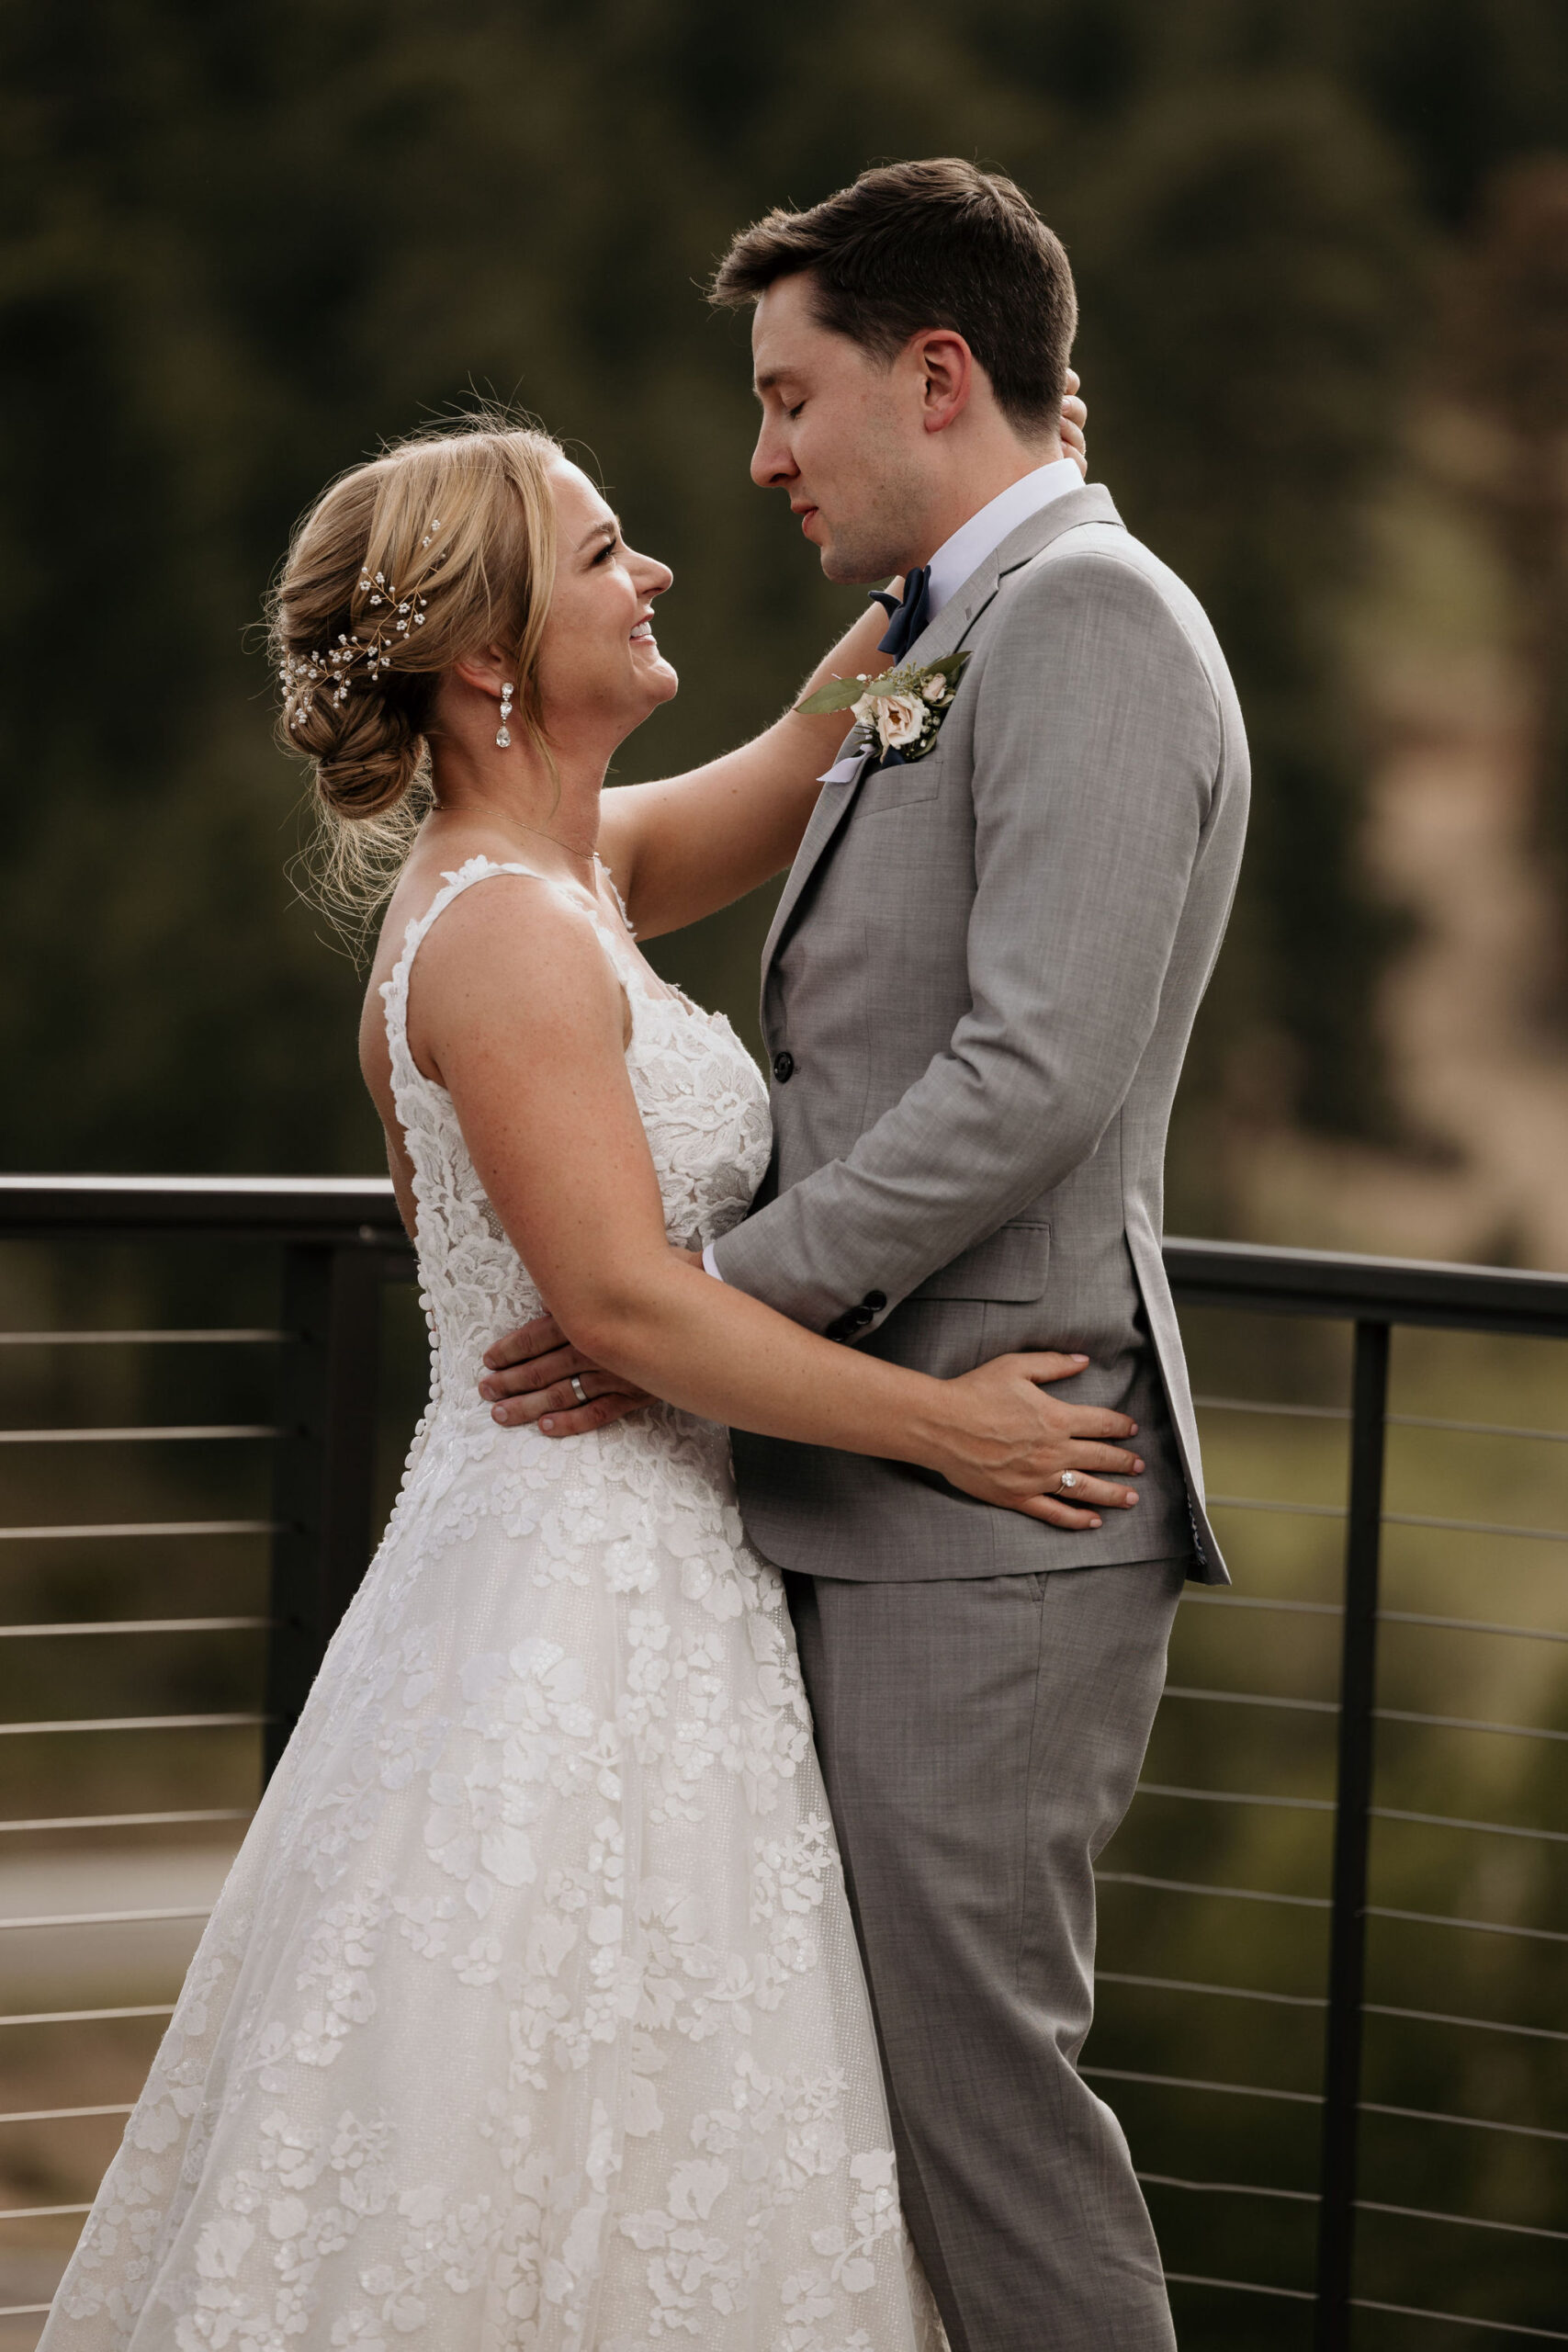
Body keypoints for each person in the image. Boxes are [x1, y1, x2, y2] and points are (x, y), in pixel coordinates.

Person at [40, 379, 1150, 2347]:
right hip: (563, 1588)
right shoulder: (502, 938)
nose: (649, 569)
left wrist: (990, 525)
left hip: (657, 1572)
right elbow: (628, 1313)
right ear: (487, 658)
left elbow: (819, 751)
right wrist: (944, 1426)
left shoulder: (579, 873)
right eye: (596, 550)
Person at [481, 159, 1250, 2352]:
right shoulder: (946, 631)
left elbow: (1027, 1081)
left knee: (976, 2112)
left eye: (786, 396)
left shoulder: (1088, 619)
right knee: (845, 2108)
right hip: (861, 1496)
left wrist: (693, 1317)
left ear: (934, 375)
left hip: (994, 1511)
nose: (758, 455)